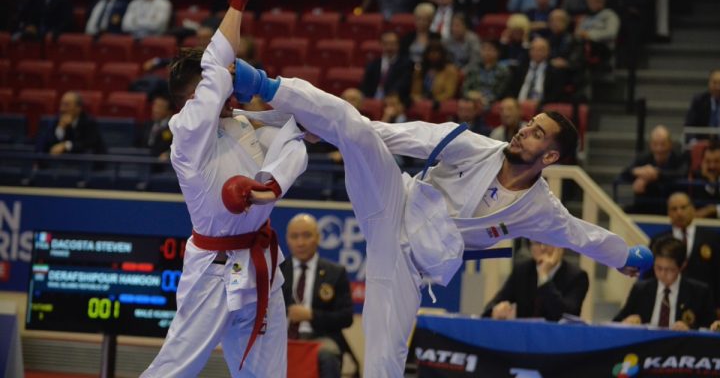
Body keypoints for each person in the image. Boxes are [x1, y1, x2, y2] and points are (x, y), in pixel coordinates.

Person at [231, 60, 651, 375]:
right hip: (392, 202)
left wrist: (625, 257)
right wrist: (340, 132)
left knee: (385, 363)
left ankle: (291, 122)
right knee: (354, 125)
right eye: (529, 123)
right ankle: (265, 85)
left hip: (407, 270)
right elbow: (407, 135)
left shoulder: (539, 209)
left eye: (537, 133)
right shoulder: (474, 146)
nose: (524, 130)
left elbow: (581, 235)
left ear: (551, 156)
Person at [141, 0, 308, 377]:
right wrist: (238, 1)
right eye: (211, 86)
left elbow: (295, 143)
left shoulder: (245, 122)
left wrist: (272, 186)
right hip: (213, 272)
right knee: (175, 369)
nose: (226, 86)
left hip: (261, 265)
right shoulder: (186, 133)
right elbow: (216, 69)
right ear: (189, 99)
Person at [280, 214, 353, 378]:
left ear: (318, 238)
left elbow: (346, 317)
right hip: (281, 338)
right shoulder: (278, 271)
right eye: (295, 236)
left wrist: (311, 315)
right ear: (287, 239)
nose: (301, 242)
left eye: (307, 235)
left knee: (328, 354)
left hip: (320, 338)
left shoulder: (335, 273)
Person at [649, 193, 720, 320]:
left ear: (693, 209)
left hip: (706, 304)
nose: (679, 212)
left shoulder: (712, 238)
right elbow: (651, 275)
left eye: (683, 207)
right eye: (674, 209)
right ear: (668, 213)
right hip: (670, 304)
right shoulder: (659, 241)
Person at [615, 237, 716, 331]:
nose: (662, 274)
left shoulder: (699, 293)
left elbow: (710, 328)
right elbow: (615, 323)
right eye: (658, 268)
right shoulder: (641, 289)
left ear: (682, 266)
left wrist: (690, 329)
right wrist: (626, 322)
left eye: (669, 270)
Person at [482, 241, 588, 321]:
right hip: (525, 343)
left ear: (561, 246)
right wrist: (495, 310)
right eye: (537, 243)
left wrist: (544, 277)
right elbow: (492, 305)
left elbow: (565, 315)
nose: (543, 248)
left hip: (559, 343)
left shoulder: (578, 277)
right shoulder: (522, 270)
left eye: (548, 242)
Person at [620, 125, 687, 215]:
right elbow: (624, 174)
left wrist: (655, 175)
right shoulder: (643, 158)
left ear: (670, 144)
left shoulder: (680, 157)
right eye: (655, 144)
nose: (659, 149)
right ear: (650, 145)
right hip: (645, 207)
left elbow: (681, 174)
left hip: (672, 208)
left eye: (663, 144)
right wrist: (637, 172)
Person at [36, 91, 105, 155]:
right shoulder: (56, 121)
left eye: (66, 105)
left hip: (82, 164)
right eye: (61, 104)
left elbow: (87, 144)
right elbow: (46, 143)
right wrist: (60, 128)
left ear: (78, 108)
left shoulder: (89, 122)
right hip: (57, 164)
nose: (62, 109)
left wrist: (65, 145)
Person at [507, 37, 570, 105]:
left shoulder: (555, 71)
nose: (536, 52)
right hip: (518, 105)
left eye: (541, 50)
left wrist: (540, 103)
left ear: (548, 52)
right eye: (533, 49)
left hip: (542, 108)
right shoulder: (520, 69)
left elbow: (555, 96)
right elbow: (511, 90)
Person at [360, 31, 413, 103]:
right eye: (386, 44)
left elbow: (402, 85)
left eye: (392, 44)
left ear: (398, 45)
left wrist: (389, 97)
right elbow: (365, 85)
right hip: (372, 98)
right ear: (381, 44)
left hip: (394, 100)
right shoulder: (373, 64)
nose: (389, 47)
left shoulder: (406, 64)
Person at [684, 70, 720, 134]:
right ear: (709, 83)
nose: (718, 87)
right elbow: (689, 126)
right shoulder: (699, 101)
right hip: (703, 141)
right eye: (714, 83)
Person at [136, 93, 173, 160]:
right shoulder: (146, 125)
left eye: (160, 107)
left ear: (169, 111)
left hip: (162, 166)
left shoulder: (173, 128)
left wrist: (168, 154)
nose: (155, 110)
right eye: (154, 105)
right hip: (143, 162)